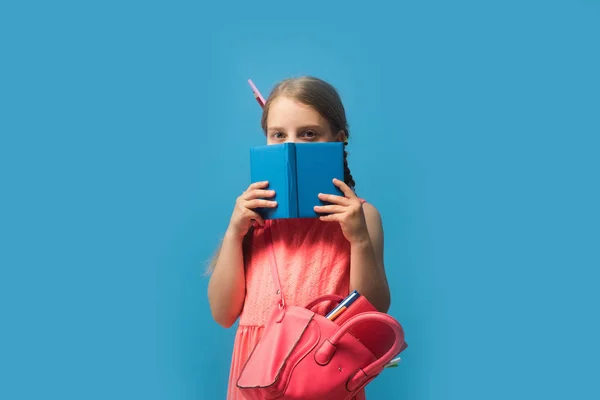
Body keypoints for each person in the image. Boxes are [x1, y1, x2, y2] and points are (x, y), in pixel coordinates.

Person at [207, 76, 391, 399]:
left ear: (338, 140)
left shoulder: (363, 218)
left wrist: (359, 239)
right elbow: (223, 313)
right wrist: (234, 233)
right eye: (278, 135)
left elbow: (372, 314)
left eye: (308, 134)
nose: (291, 146)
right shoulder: (254, 221)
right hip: (256, 380)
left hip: (323, 377)